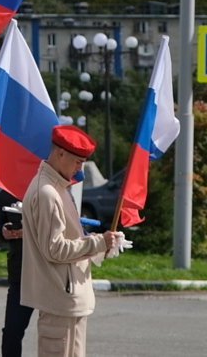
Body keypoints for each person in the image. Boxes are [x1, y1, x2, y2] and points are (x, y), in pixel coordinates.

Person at [21, 124, 120, 357]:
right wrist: (98, 244)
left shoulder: (55, 188)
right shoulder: (48, 192)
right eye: (78, 161)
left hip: (66, 297)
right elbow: (54, 249)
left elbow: (66, 241)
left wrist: (100, 244)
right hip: (60, 297)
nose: (79, 169)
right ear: (60, 153)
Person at [0, 189, 28, 357]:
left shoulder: (54, 188)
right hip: (20, 273)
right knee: (12, 332)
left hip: (48, 274)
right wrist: (2, 232)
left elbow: (68, 229)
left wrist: (31, 233)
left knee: (50, 333)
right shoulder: (8, 192)